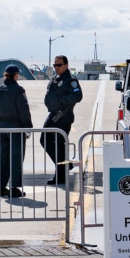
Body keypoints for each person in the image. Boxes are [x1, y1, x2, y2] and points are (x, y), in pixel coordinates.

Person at [0, 64, 33, 198]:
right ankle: (14, 187)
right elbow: (24, 111)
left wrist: (0, 125)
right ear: (16, 75)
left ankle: (1, 187)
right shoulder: (19, 90)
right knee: (16, 158)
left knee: (3, 158)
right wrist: (28, 127)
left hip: (3, 128)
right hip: (17, 128)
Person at [41, 55, 83, 185]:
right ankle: (64, 166)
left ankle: (60, 175)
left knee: (59, 145)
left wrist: (60, 102)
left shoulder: (70, 80)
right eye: (55, 65)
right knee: (44, 140)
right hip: (52, 115)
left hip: (63, 116)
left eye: (59, 65)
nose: (56, 68)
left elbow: (77, 95)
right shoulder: (55, 78)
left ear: (66, 65)